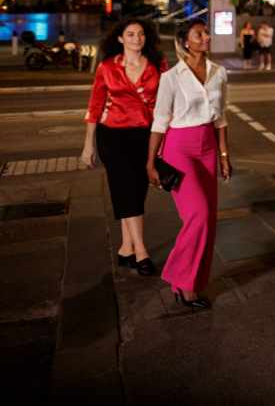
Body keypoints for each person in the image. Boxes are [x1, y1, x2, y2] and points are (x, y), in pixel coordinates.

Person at [147, 20, 231, 309]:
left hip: (208, 146)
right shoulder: (171, 77)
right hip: (179, 149)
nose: (206, 37)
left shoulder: (219, 73)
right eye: (200, 34)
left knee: (209, 219)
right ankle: (180, 279)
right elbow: (159, 121)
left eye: (206, 33)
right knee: (199, 214)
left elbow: (220, 118)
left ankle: (190, 282)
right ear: (185, 41)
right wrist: (151, 162)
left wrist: (223, 155)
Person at [80, 19, 166, 276]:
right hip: (113, 137)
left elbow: (166, 102)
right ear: (120, 39)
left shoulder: (158, 66)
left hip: (145, 135)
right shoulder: (107, 67)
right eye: (130, 34)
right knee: (125, 190)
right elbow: (94, 106)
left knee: (137, 192)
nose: (136, 38)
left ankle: (126, 247)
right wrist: (88, 145)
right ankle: (141, 251)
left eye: (140, 34)